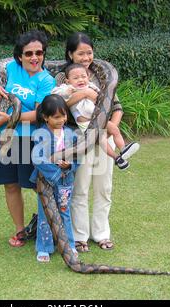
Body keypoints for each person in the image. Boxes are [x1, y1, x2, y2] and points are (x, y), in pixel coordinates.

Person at [56, 32, 137, 252]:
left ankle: (101, 233)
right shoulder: (63, 78)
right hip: (79, 138)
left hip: (103, 135)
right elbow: (58, 107)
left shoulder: (103, 77)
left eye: (89, 52)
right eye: (80, 53)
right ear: (70, 54)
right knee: (80, 187)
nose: (85, 57)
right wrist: (85, 95)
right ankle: (80, 236)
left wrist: (112, 126)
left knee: (104, 187)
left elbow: (116, 106)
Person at [0, 30, 56, 248]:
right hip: (4, 136)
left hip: (29, 139)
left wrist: (9, 118)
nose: (34, 57)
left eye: (39, 53)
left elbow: (39, 114)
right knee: (10, 184)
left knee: (35, 184)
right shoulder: (9, 68)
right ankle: (20, 230)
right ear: (20, 56)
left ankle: (52, 225)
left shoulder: (46, 80)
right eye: (29, 53)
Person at [52, 63, 139, 170]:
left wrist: (96, 95)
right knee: (102, 139)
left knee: (114, 129)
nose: (80, 80)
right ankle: (116, 157)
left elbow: (104, 96)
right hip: (85, 122)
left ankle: (123, 149)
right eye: (76, 78)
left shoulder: (91, 86)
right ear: (68, 81)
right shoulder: (67, 88)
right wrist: (67, 90)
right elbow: (55, 94)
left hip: (98, 118)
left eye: (83, 77)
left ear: (88, 77)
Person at [30, 94, 79, 262]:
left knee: (64, 212)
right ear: (46, 117)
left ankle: (70, 245)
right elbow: (37, 159)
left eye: (64, 115)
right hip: (46, 182)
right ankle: (44, 248)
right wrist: (57, 172)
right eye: (56, 117)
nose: (61, 120)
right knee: (45, 215)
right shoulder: (40, 134)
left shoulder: (71, 134)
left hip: (66, 182)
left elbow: (78, 157)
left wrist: (70, 166)